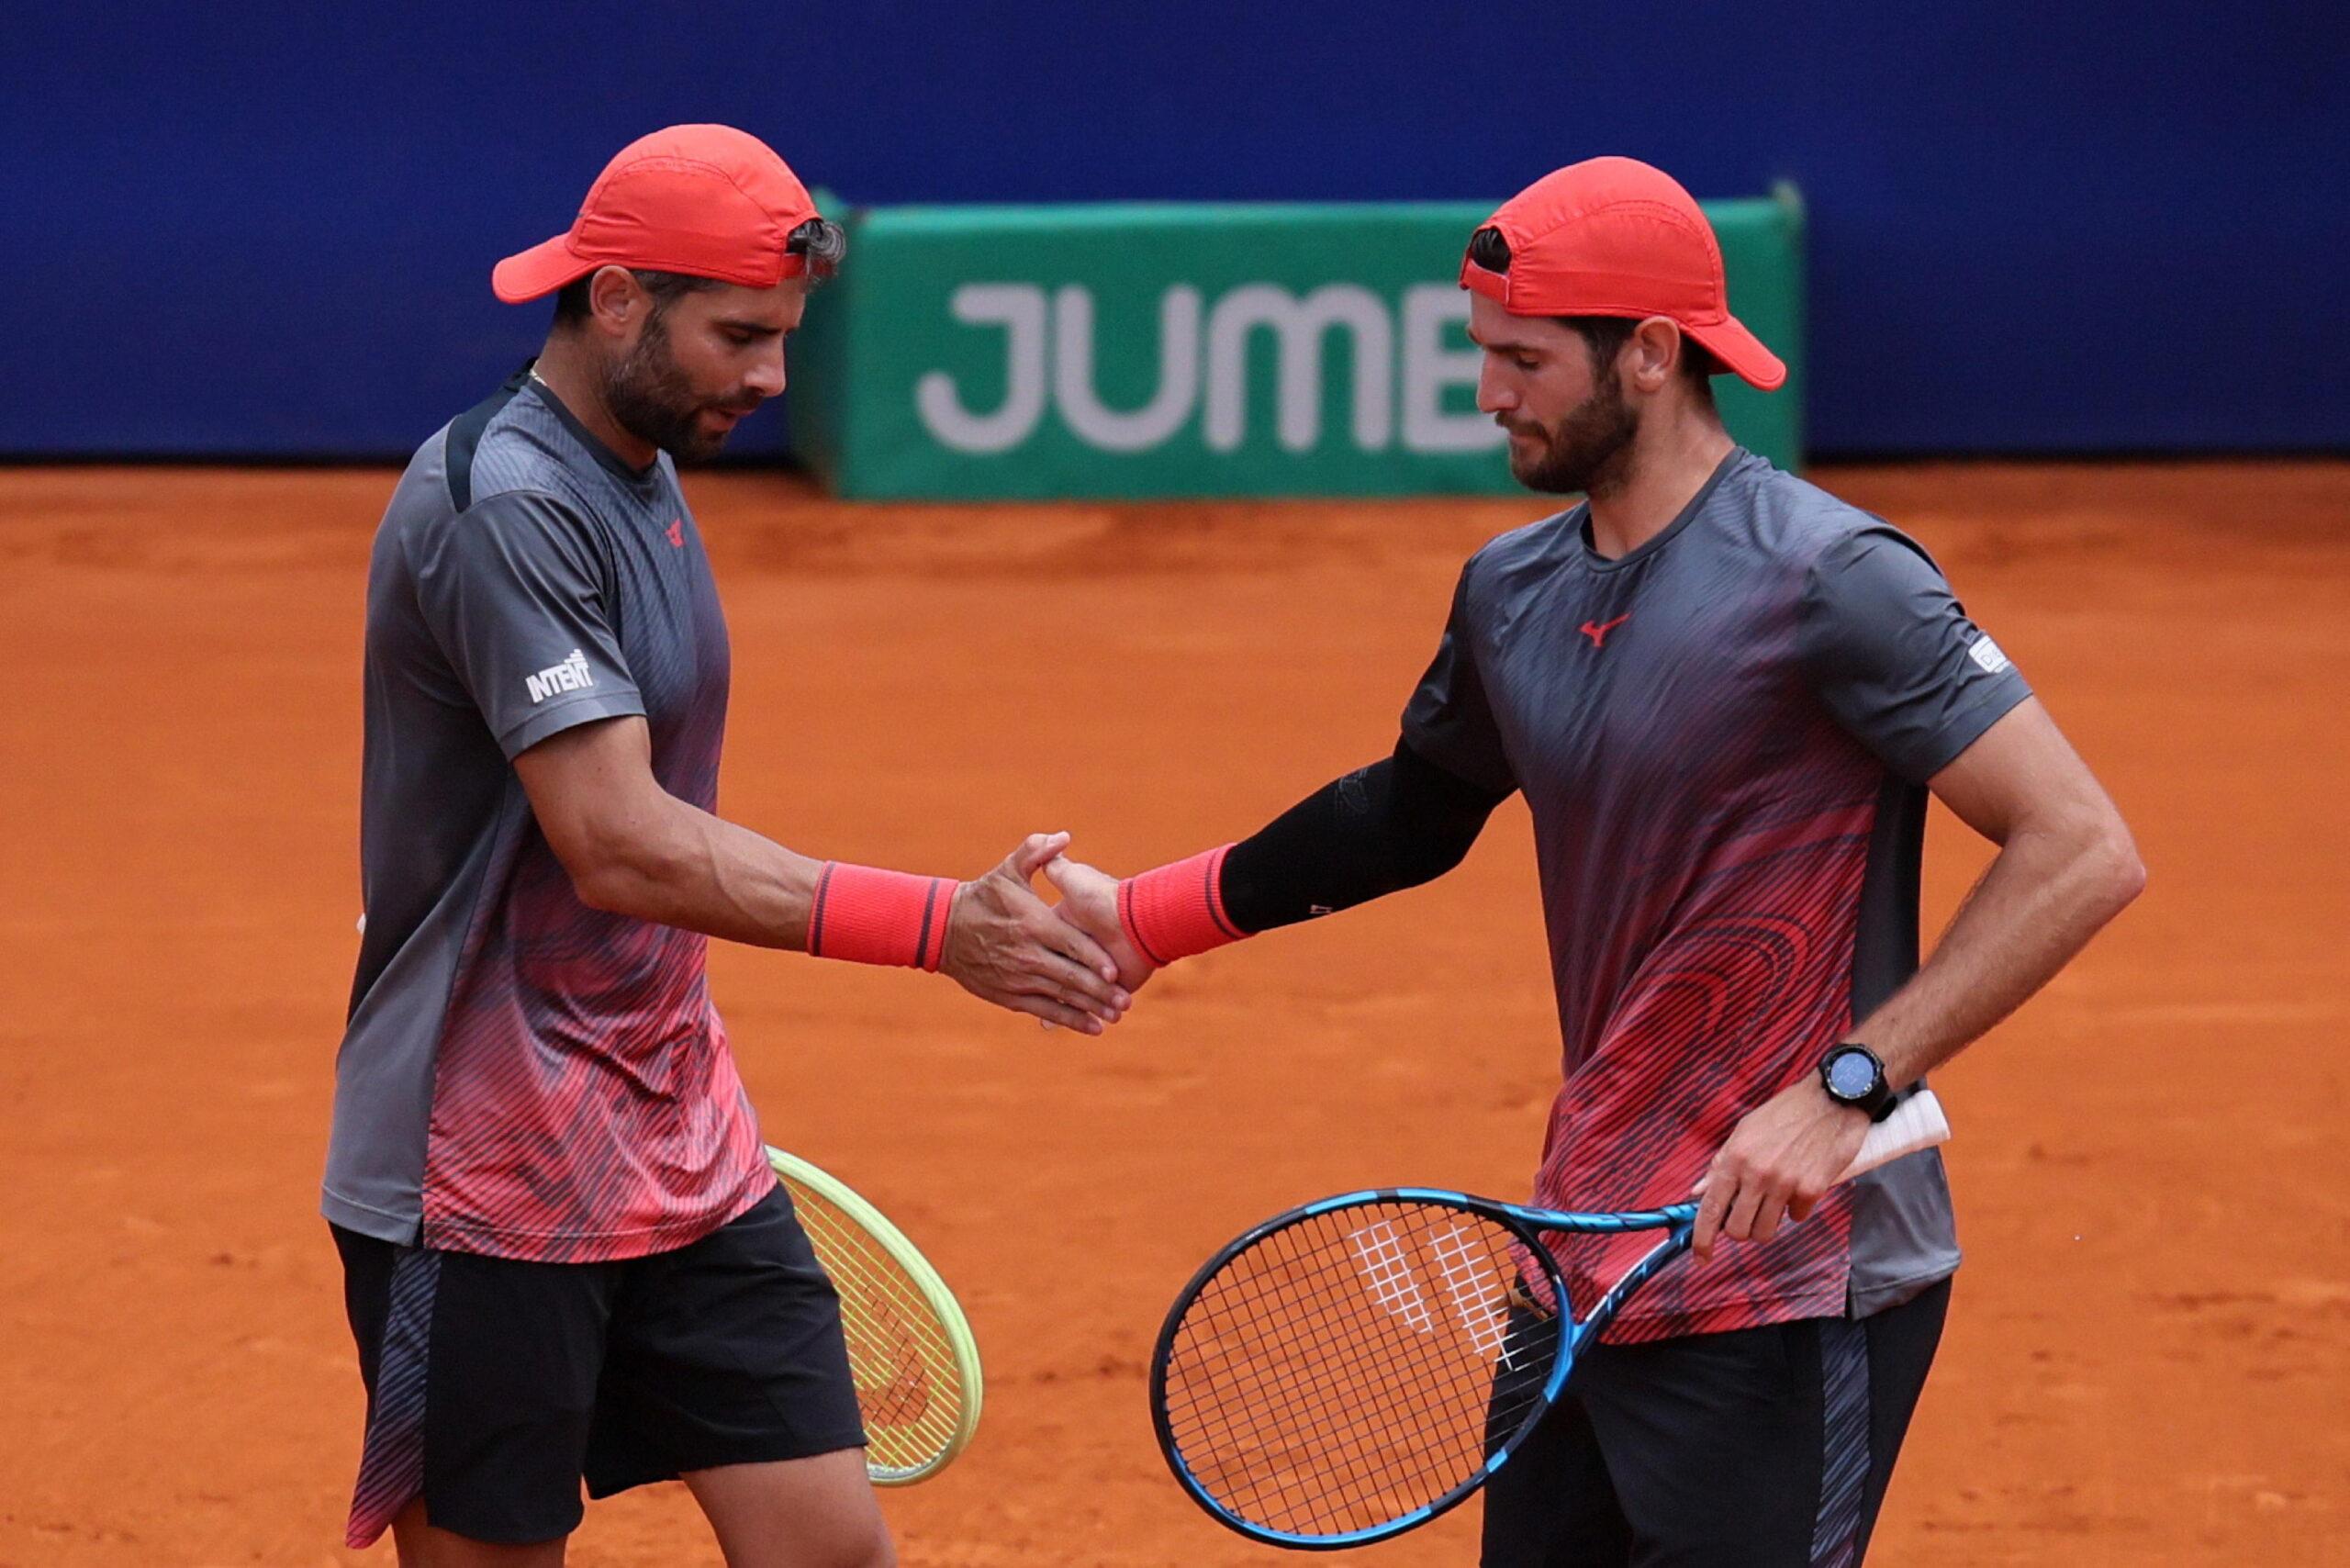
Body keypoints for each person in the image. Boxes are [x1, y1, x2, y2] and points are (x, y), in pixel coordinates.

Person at [1045, 156, 2143, 1566]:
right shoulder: (1513, 590)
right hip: (1591, 1247)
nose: (1490, 391)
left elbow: (2083, 848)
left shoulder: (1836, 579)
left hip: (1793, 1268)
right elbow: (1407, 816)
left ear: (1649, 354)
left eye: (1521, 360)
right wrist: (1145, 921)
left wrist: (1846, 1091)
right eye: (1483, 355)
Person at [324, 124, 1130, 1568]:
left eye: (783, 338)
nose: (771, 378)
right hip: (482, 1167)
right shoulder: (509, 502)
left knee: (828, 1550)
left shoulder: (636, 463)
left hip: (679, 1130)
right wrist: (946, 924)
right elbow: (619, 845)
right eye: (741, 336)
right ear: (620, 298)